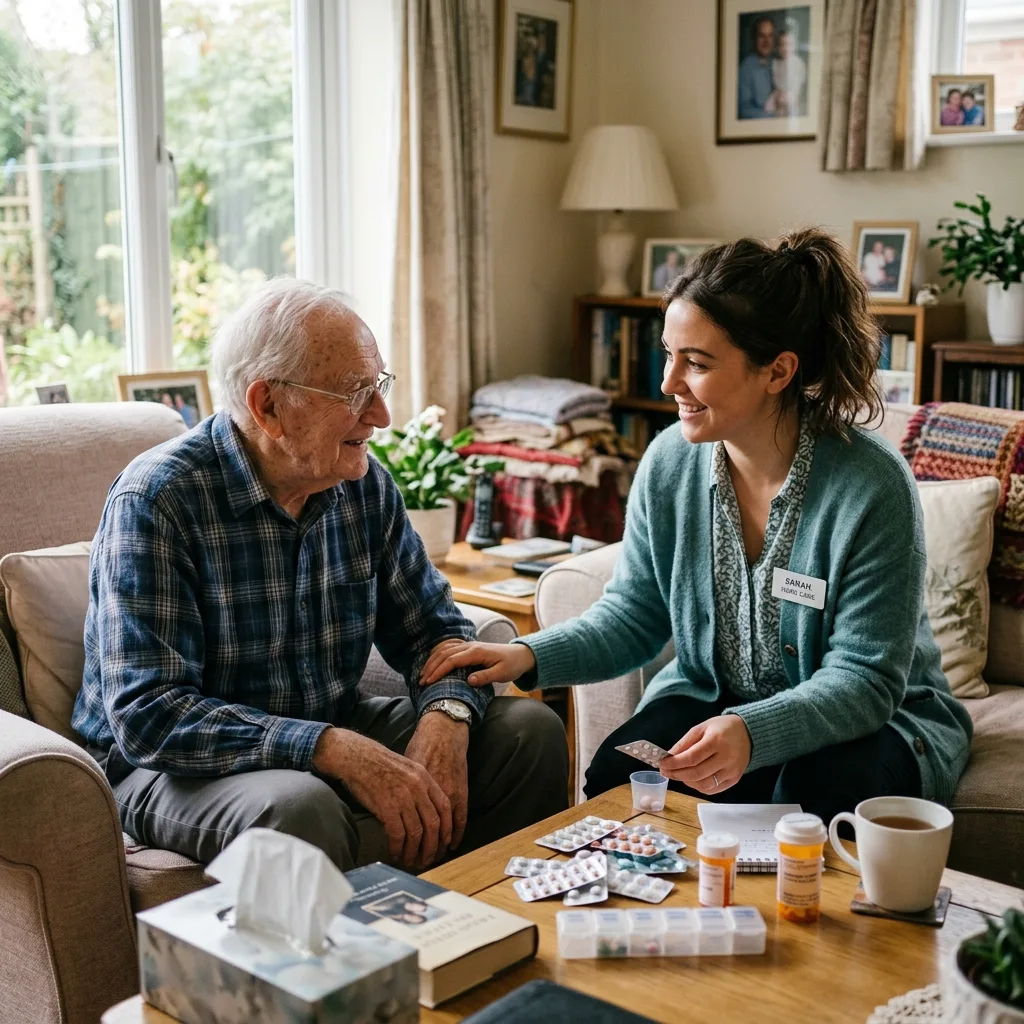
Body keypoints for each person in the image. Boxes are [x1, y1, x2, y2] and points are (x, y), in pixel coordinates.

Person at [421, 230, 973, 828]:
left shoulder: (872, 485)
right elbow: (633, 617)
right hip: (716, 700)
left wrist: (752, 733)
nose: (668, 382)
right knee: (614, 781)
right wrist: (525, 655)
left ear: (778, 371)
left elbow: (864, 681)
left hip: (876, 722)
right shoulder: (668, 464)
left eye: (697, 363)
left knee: (819, 794)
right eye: (668, 354)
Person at [72, 278, 568, 873]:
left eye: (378, 385)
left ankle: (479, 936)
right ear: (268, 407)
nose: (382, 416)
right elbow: (150, 715)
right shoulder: (158, 500)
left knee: (528, 734)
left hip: (326, 723)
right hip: (168, 768)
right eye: (356, 392)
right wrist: (329, 749)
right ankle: (363, 967)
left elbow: (436, 634)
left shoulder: (362, 484)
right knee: (298, 808)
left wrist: (448, 717)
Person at [737, 17, 778, 119]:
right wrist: (773, 117)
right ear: (754, 39)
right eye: (761, 36)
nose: (767, 41)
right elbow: (744, 109)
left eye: (770, 36)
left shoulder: (778, 61)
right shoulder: (746, 68)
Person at [771, 27, 806, 117]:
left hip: (793, 93)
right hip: (780, 94)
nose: (785, 48)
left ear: (794, 45)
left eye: (789, 44)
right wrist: (779, 93)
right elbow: (775, 80)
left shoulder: (797, 62)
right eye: (782, 45)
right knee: (775, 109)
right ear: (778, 47)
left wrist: (792, 94)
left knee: (792, 109)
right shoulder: (776, 64)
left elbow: (799, 80)